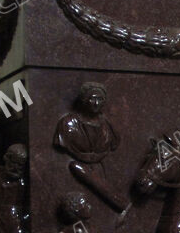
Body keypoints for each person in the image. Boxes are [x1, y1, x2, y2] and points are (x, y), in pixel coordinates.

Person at [54, 82, 127, 211]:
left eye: (100, 99)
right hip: (75, 175)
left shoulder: (108, 126)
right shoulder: (67, 124)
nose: (96, 103)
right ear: (83, 100)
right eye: (92, 98)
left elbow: (114, 143)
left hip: (101, 174)